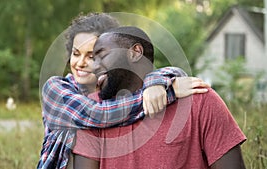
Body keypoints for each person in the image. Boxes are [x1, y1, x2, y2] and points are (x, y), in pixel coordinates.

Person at [38, 13, 210, 169]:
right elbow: (97, 114)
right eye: (76, 54)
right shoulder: (55, 89)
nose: (81, 62)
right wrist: (167, 92)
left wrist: (156, 83)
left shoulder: (117, 93)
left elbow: (169, 73)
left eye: (91, 56)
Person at [72, 26, 247, 169]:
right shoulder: (91, 112)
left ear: (135, 53)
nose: (93, 67)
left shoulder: (200, 99)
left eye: (101, 56)